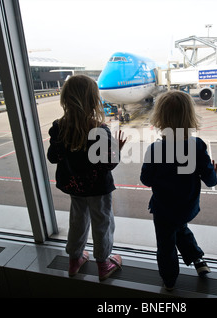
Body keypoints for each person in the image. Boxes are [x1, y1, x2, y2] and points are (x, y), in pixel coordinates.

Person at [47, 75, 127, 281]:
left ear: (66, 100)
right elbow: (107, 164)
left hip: (74, 187)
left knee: (78, 220)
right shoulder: (99, 130)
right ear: (93, 101)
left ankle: (74, 260)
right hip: (97, 189)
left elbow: (53, 157)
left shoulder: (58, 127)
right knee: (102, 223)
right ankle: (103, 263)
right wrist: (117, 149)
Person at [140, 90, 217, 290]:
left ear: (159, 119)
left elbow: (146, 180)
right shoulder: (197, 146)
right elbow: (210, 180)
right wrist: (213, 171)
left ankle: (169, 280)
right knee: (181, 228)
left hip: (164, 209)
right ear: (190, 117)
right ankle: (198, 261)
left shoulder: (155, 150)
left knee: (166, 245)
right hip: (186, 207)